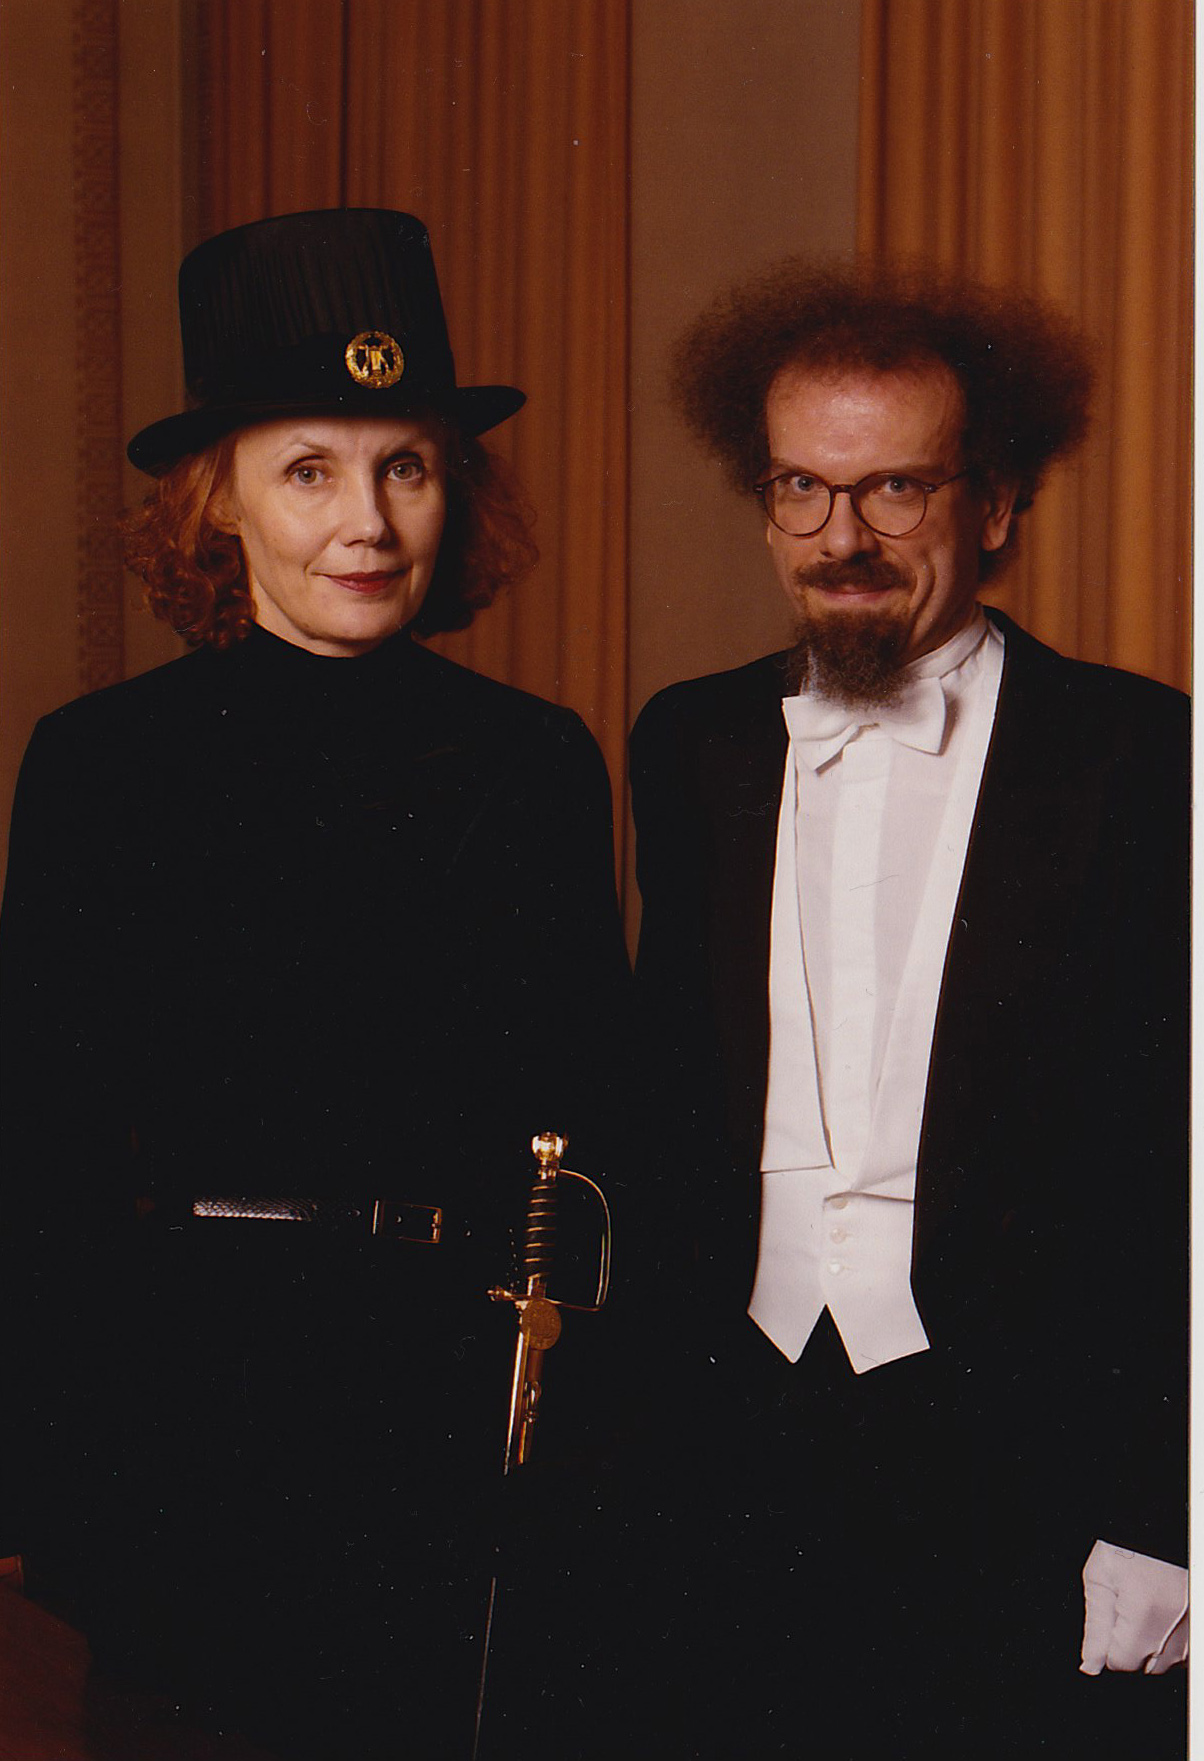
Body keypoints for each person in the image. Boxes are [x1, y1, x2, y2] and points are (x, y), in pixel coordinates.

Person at [0, 208, 630, 1760]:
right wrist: (52, 1492)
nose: (368, 521)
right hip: (190, 1418)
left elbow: (595, 1121)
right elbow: (41, 1147)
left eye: (406, 465)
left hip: (458, 1425)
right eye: (309, 470)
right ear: (216, 499)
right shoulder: (102, 763)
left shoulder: (535, 759)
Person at [627, 260, 1187, 1757]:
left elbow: (1181, 1161)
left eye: (894, 489)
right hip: (729, 1440)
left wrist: (1168, 1505)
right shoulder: (689, 743)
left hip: (1026, 1463)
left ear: (992, 502)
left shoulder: (1146, 757)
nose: (842, 538)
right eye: (801, 489)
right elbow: (664, 1106)